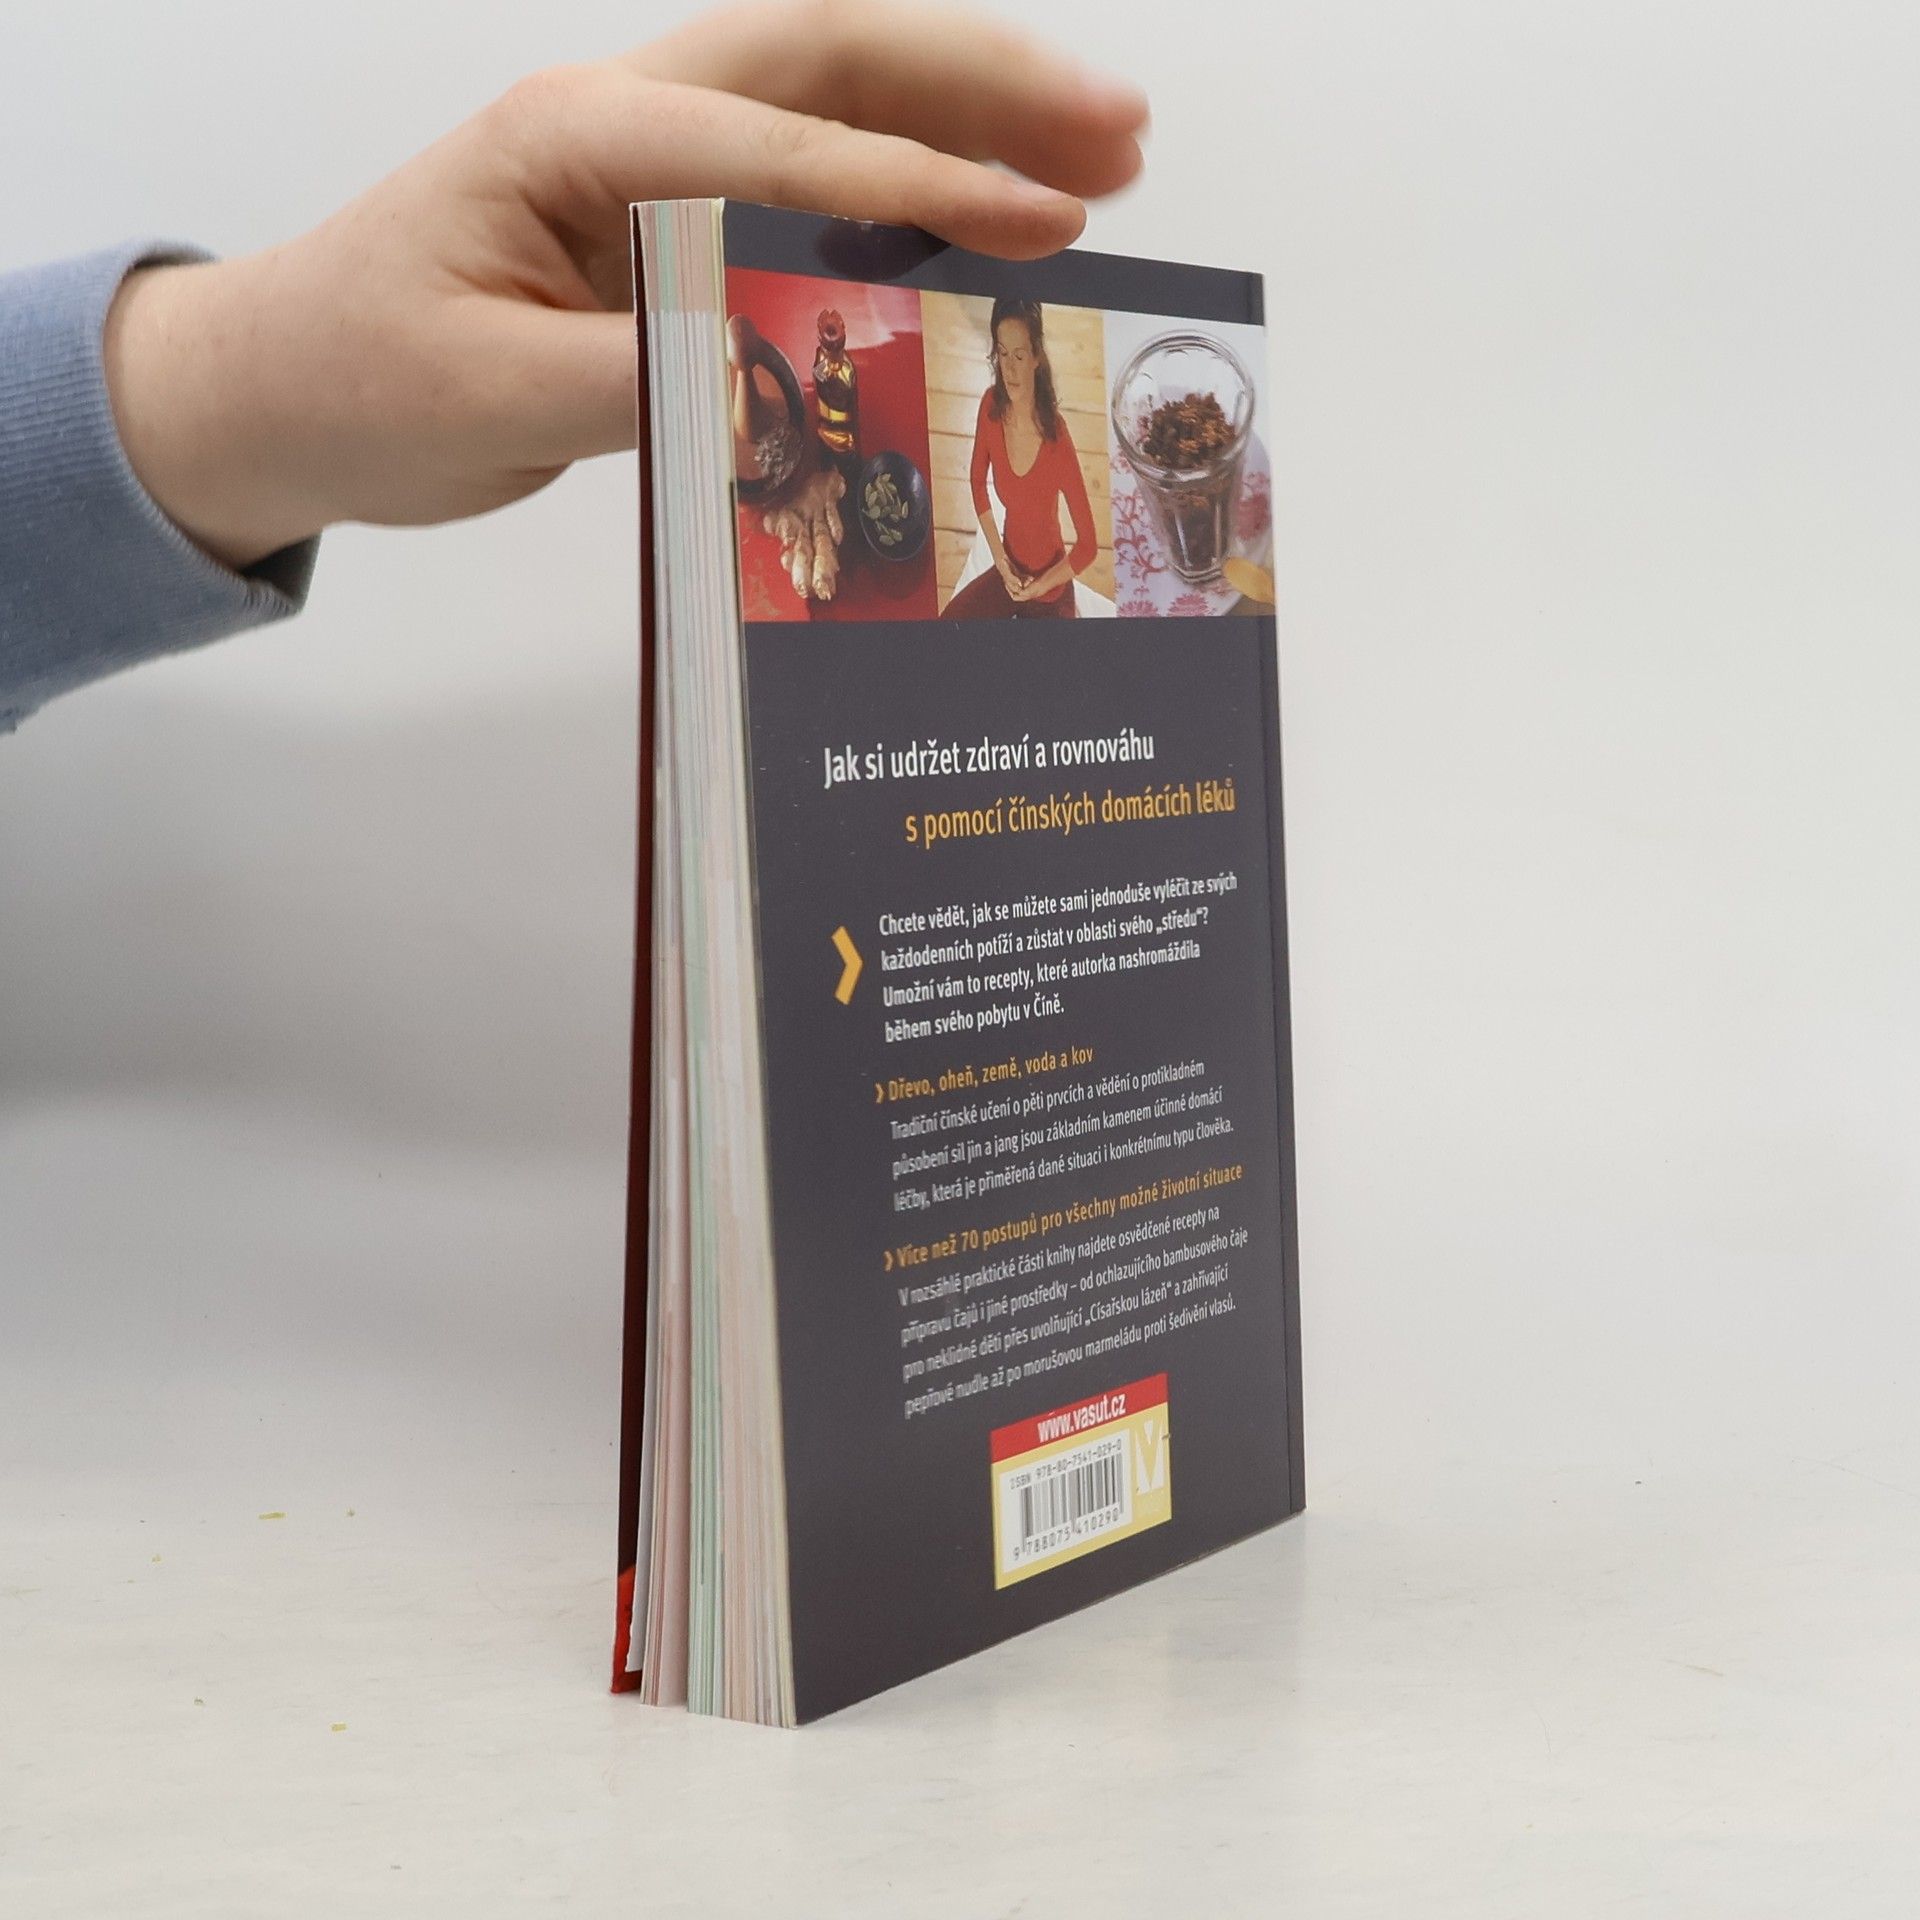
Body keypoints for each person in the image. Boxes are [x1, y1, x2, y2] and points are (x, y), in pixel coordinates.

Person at [0, 1, 1150, 731]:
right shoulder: (947, 431)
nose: (1011, 361)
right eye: (1002, 350)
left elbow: (1080, 534)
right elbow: (984, 496)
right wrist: (244, 390)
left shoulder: (1052, 446)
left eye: (1020, 353)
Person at [941, 298, 1098, 620]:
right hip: (1008, 573)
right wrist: (1001, 561)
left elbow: (1088, 546)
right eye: (1002, 353)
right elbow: (977, 482)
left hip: (1050, 590)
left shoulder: (1057, 439)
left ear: (1037, 357)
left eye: (1019, 355)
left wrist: (1038, 588)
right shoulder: (990, 407)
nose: (1009, 369)